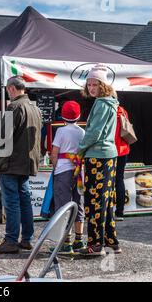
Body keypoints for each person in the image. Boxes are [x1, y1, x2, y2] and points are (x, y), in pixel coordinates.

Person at [0, 76, 43, 254]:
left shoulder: (14, 106)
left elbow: (2, 138)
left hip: (11, 162)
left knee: (12, 202)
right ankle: (26, 239)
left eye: (7, 90)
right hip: (27, 162)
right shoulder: (35, 108)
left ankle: (11, 240)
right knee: (25, 200)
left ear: (12, 89)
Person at [78, 64, 121, 256]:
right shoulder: (110, 101)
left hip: (98, 156)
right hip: (108, 155)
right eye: (89, 84)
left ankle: (95, 244)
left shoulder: (102, 103)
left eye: (94, 84)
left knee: (94, 201)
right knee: (106, 200)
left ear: (103, 85)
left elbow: (94, 132)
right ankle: (111, 241)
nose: (91, 88)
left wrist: (79, 151)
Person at [49, 100, 86, 254]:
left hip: (63, 170)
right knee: (79, 202)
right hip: (78, 170)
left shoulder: (61, 132)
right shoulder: (82, 132)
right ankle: (79, 240)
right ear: (79, 116)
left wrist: (54, 166)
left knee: (63, 205)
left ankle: (66, 242)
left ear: (62, 116)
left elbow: (54, 153)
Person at [114, 105, 131, 221]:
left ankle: (108, 211)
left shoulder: (107, 110)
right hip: (124, 148)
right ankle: (120, 212)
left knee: (108, 181)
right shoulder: (123, 110)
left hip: (110, 149)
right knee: (119, 179)